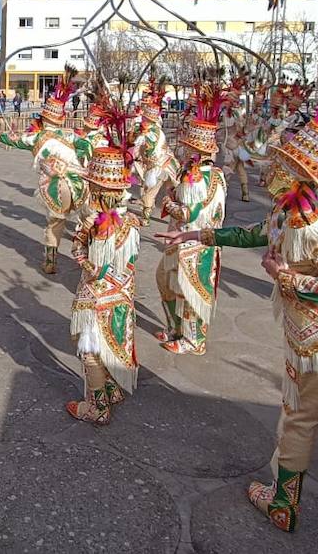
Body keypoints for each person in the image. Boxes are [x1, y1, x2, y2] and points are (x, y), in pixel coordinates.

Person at [160, 73, 318, 554]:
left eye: (277, 166)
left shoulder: (313, 228)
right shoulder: (288, 215)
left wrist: (286, 276)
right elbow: (251, 234)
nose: (266, 171)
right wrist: (193, 236)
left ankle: (284, 504)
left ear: (296, 177)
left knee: (299, 420)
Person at [66, 120, 142, 426]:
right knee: (106, 345)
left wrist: (80, 253)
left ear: (96, 188)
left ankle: (96, 406)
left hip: (97, 298)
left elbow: (93, 267)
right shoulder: (131, 223)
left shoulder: (98, 226)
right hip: (121, 295)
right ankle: (111, 387)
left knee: (90, 351)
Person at [0, 66, 89, 275]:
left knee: (55, 223)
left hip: (55, 185)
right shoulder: (70, 135)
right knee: (88, 218)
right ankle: (89, 255)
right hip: (80, 182)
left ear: (44, 118)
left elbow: (14, 140)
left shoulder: (36, 137)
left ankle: (51, 261)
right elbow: (87, 145)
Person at [154, 87, 227, 356]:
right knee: (165, 280)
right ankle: (175, 328)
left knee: (189, 291)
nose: (185, 152)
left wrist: (169, 203)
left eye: (188, 148)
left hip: (195, 242)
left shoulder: (203, 177)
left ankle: (193, 339)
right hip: (183, 239)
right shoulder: (201, 174)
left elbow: (188, 213)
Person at [134, 76, 176, 225]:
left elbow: (144, 147)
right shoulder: (157, 130)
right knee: (170, 190)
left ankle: (146, 217)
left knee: (149, 191)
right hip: (168, 163)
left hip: (157, 167)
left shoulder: (149, 133)